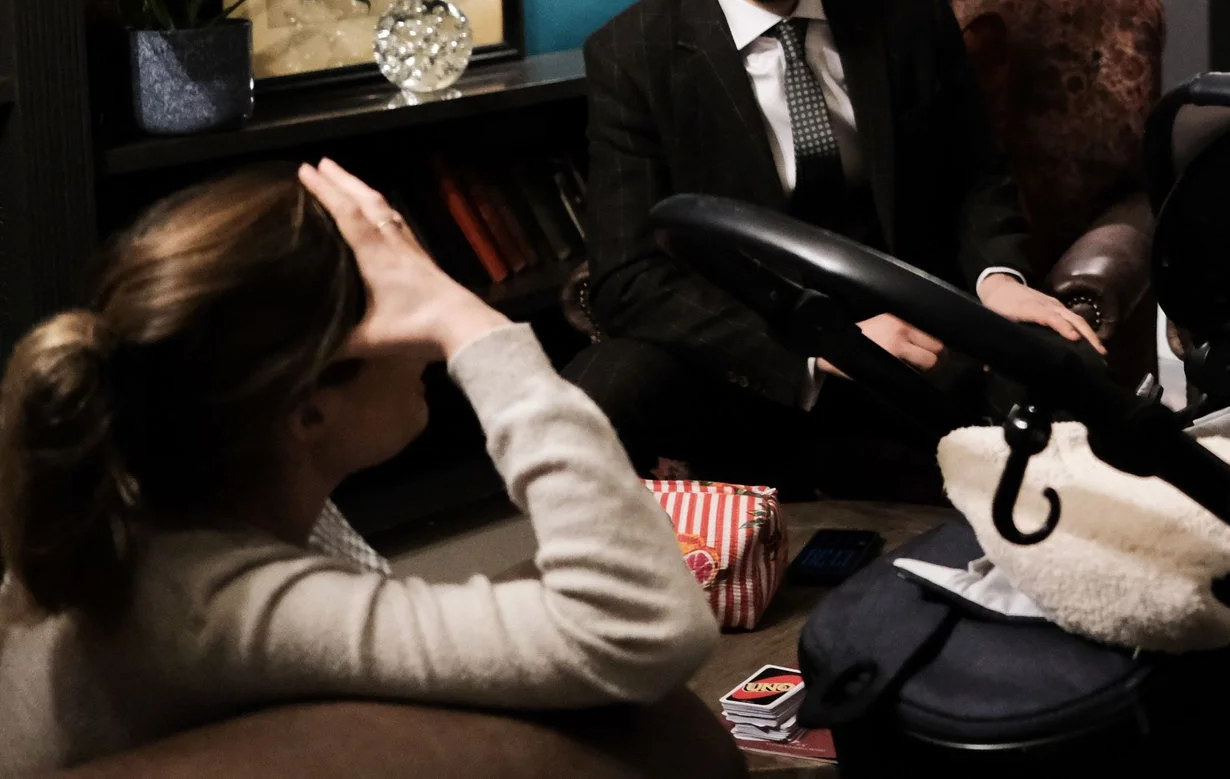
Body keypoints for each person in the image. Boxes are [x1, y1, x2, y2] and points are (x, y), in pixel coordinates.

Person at [0, 161, 716, 774]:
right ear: (309, 410)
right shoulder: (214, 607)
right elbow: (646, 624)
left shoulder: (165, 503)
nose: (431, 343)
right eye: (403, 303)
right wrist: (476, 325)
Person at [564, 0, 1099, 488]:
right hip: (753, 346)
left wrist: (997, 278)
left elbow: (974, 169)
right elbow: (626, 277)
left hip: (916, 323)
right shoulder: (631, 52)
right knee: (598, 394)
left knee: (1069, 376)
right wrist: (811, 350)